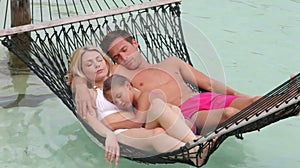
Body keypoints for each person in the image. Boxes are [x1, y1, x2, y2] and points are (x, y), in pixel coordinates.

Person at [74, 30, 260, 133]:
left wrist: (237, 94)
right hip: (187, 113)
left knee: (255, 101)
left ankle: (290, 100)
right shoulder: (120, 75)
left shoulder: (172, 62)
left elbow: (210, 84)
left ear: (134, 43)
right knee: (229, 113)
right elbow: (87, 75)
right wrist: (80, 85)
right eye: (118, 56)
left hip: (206, 99)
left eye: (125, 49)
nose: (124, 57)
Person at [67, 45, 212, 166]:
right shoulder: (87, 94)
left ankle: (194, 142)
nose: (97, 65)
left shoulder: (118, 80)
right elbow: (89, 119)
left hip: (139, 122)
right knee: (158, 134)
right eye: (89, 64)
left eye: (99, 60)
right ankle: (194, 152)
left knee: (158, 106)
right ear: (81, 71)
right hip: (121, 133)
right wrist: (108, 134)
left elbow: (142, 96)